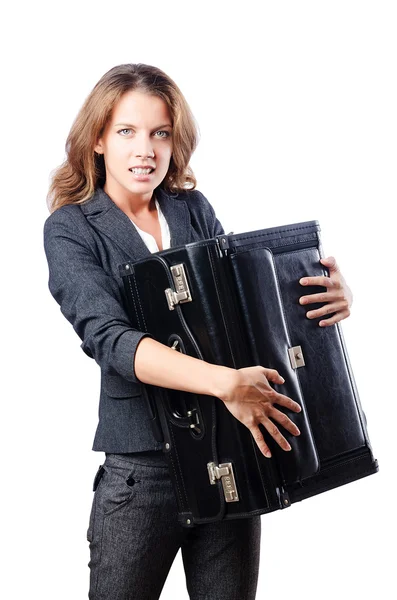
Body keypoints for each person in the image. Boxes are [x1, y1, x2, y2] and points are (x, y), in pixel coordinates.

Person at [43, 63, 353, 600]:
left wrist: (328, 298)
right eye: (127, 132)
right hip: (143, 475)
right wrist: (226, 383)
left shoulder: (191, 208)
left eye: (160, 133)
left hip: (229, 452)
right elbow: (112, 343)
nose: (146, 150)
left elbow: (240, 303)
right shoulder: (71, 228)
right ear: (97, 138)